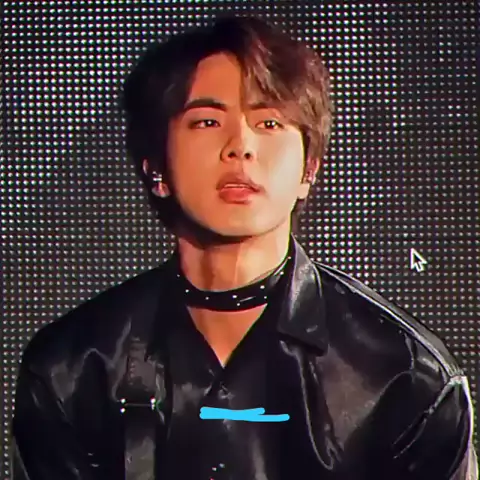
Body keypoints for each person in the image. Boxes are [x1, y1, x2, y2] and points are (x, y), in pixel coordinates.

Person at [10, 15, 477, 480]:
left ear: (309, 168)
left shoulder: (406, 377)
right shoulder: (72, 369)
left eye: (269, 122)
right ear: (156, 166)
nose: (241, 146)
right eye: (207, 121)